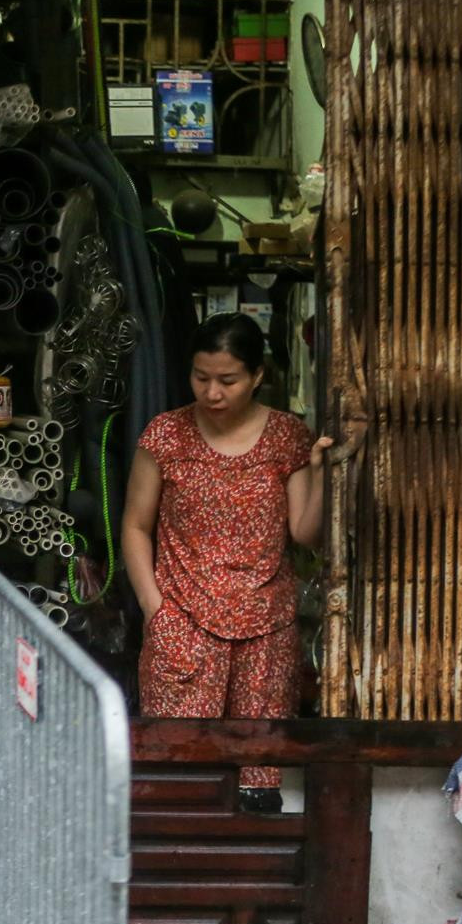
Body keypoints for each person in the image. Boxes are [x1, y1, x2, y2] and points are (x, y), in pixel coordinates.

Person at [121, 313, 329, 812]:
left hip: (266, 631)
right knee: (177, 780)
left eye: (228, 380)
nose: (212, 392)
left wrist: (321, 476)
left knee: (257, 784)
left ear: (258, 376)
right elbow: (134, 527)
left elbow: (305, 533)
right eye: (201, 377)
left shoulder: (286, 437)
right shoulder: (166, 435)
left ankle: (248, 890)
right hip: (183, 626)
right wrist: (156, 610)